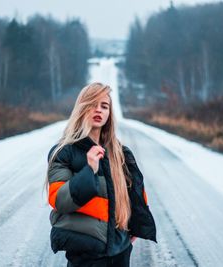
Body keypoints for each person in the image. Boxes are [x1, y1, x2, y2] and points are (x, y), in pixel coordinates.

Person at [44, 82, 157, 267]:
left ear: (109, 114)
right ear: (82, 108)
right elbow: (60, 200)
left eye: (104, 106)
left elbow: (135, 194)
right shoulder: (64, 152)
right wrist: (90, 170)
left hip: (120, 252)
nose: (99, 110)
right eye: (92, 104)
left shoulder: (121, 153)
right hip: (86, 255)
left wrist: (134, 226)